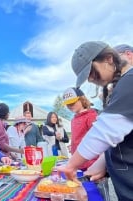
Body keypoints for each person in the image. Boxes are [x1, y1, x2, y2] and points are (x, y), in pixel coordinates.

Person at [57, 41, 133, 201]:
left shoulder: (130, 81)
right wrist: (104, 162)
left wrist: (72, 165)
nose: (91, 79)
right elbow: (121, 136)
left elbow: (105, 132)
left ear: (109, 59)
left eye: (91, 71)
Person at [62, 87, 98, 169]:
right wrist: (73, 146)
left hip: (91, 163)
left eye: (73, 102)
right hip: (78, 163)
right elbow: (78, 138)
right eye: (68, 104)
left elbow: (97, 140)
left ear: (82, 99)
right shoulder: (73, 119)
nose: (70, 106)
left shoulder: (91, 116)